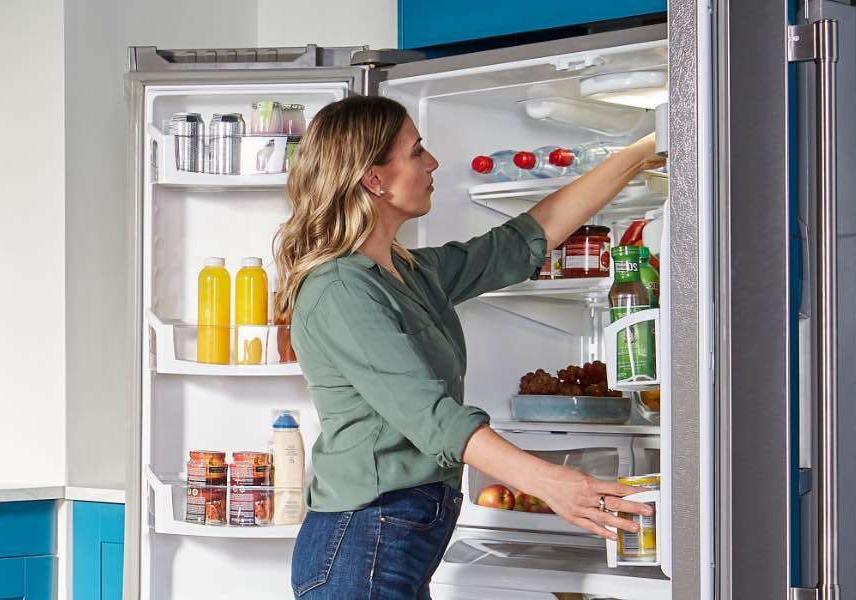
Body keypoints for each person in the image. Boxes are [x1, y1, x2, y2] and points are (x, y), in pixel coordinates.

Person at [276, 96, 665, 599]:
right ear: (375, 179)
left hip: (389, 542)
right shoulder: (339, 290)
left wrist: (646, 148)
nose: (433, 163)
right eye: (417, 152)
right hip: (361, 543)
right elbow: (435, 418)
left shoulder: (409, 274)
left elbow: (523, 239)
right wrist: (551, 482)